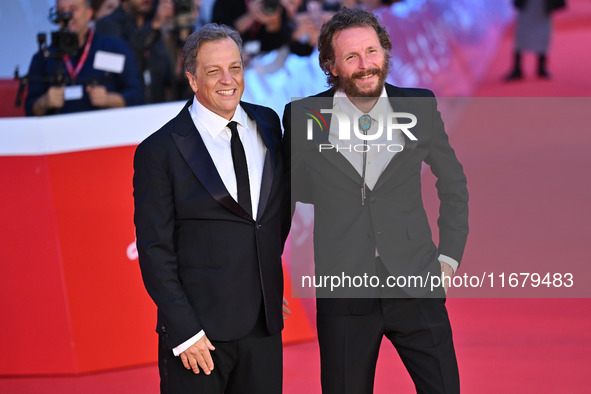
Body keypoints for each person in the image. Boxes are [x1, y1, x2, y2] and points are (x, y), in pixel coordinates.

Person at [283, 8, 468, 393]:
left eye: (372, 51)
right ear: (330, 65)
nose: (365, 64)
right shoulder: (304, 116)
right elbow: (288, 195)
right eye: (351, 56)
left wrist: (448, 259)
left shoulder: (418, 106)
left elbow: (453, 184)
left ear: (385, 52)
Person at [133, 23, 290, 393]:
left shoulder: (267, 122)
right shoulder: (159, 151)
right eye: (213, 70)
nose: (228, 80)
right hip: (199, 336)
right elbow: (155, 250)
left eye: (235, 67)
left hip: (263, 325)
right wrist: (184, 332)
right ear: (192, 79)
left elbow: (268, 214)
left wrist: (262, 274)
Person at [25, 0, 144, 116]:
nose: (67, 16)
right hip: (58, 132)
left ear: (89, 13)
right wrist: (44, 102)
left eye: (73, 9)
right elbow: (29, 109)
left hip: (106, 130)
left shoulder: (114, 48)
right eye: (61, 10)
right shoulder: (44, 57)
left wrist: (108, 99)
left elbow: (137, 95)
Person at [95, 0, 174, 103]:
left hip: (157, 107)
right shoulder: (107, 25)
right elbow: (121, 65)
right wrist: (154, 26)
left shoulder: (156, 26)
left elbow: (168, 74)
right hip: (124, 111)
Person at [505, 0, 567, 81]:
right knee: (521, 37)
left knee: (543, 37)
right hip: (527, 7)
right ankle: (517, 68)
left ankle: (541, 67)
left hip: (543, 7)